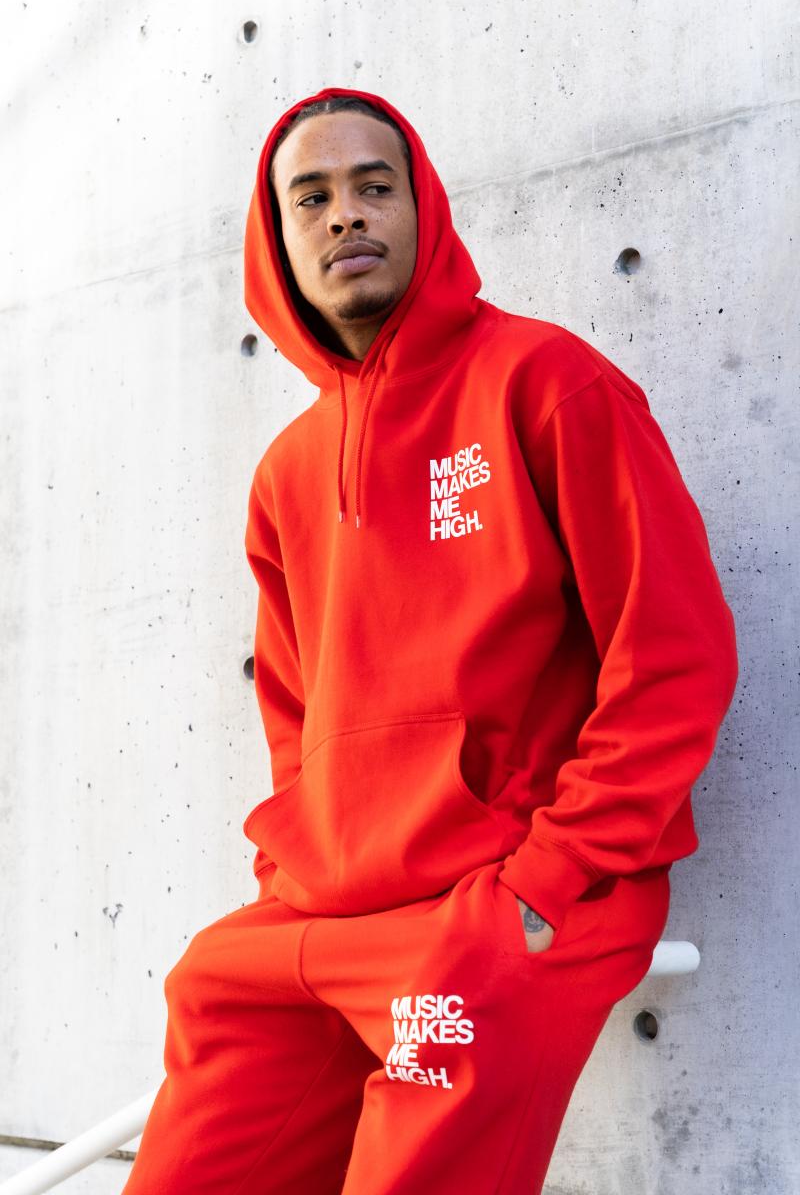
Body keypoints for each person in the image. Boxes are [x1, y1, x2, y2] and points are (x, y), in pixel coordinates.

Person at [121, 87, 738, 1194]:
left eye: (374, 186)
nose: (345, 215)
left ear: (423, 209)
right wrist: (288, 871)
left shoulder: (546, 384)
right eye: (311, 198)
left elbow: (674, 655)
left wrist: (548, 880)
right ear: (277, 240)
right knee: (193, 1107)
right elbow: (295, 722)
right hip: (322, 908)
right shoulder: (286, 476)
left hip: (504, 905)